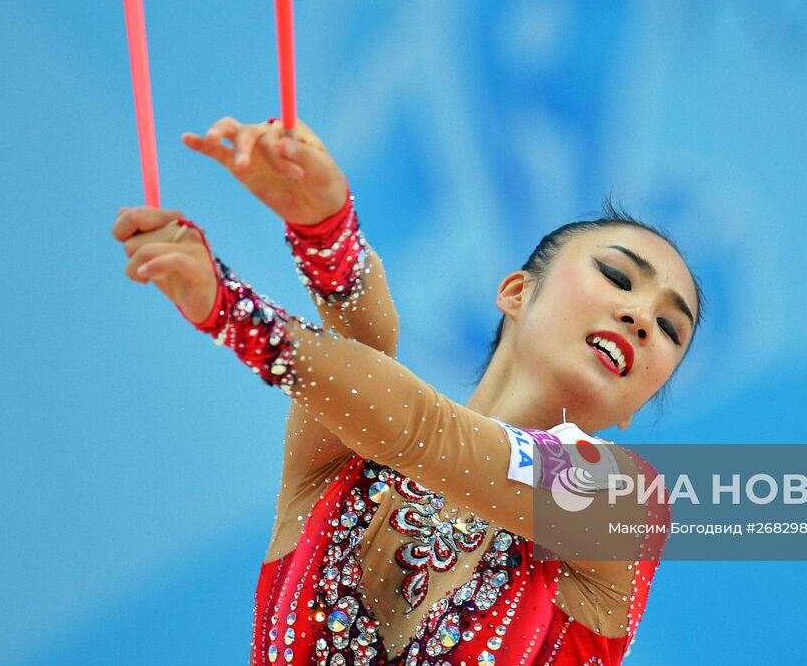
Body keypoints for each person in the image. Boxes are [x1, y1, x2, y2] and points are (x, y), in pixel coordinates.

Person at [112, 116, 705, 665]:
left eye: (671, 329)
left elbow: (418, 426)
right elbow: (363, 351)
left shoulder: (625, 505)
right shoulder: (351, 457)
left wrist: (228, 308)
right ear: (517, 292)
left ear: (640, 404)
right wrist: (324, 227)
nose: (640, 317)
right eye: (617, 277)